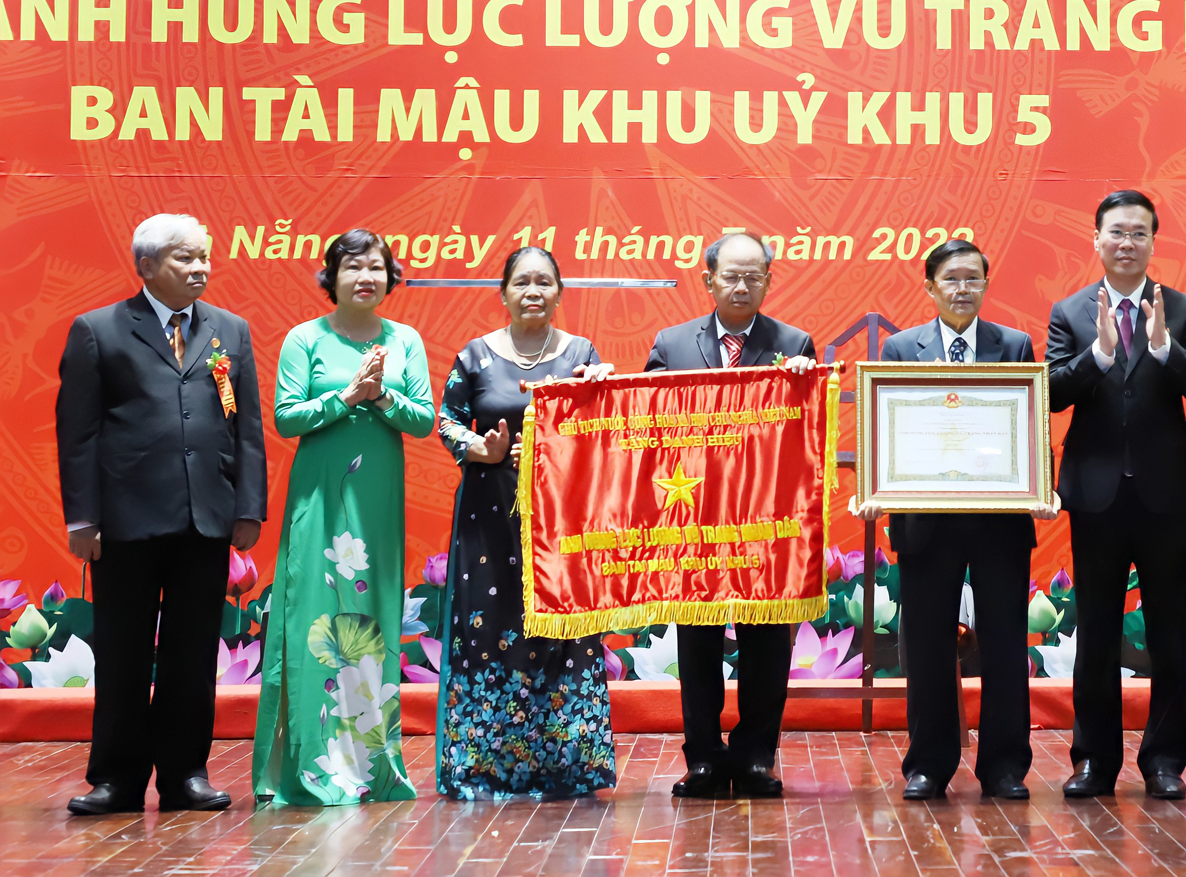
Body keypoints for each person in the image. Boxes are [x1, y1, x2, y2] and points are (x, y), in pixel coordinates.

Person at [56, 215, 266, 815]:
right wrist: (82, 519)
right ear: (146, 265)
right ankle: (116, 780)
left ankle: (185, 776)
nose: (201, 268)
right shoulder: (98, 330)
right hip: (124, 522)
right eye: (185, 258)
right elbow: (79, 434)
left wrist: (248, 506)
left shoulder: (231, 330)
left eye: (203, 257)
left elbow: (245, 429)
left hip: (207, 517)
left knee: (193, 651)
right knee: (121, 650)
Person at [857, 239, 1060, 801]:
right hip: (925, 520)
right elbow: (886, 426)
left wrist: (1043, 487)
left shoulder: (1013, 344)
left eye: (973, 279)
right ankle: (929, 764)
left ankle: (1004, 767)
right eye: (952, 279)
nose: (963, 289)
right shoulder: (901, 349)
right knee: (924, 647)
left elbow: (1030, 421)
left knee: (1003, 645)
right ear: (930, 287)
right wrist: (875, 486)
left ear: (986, 286)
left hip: (999, 521)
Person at [1047, 190, 1186, 801]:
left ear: (1153, 242)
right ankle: (1093, 760)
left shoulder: (1182, 308)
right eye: (1116, 233)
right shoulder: (1069, 313)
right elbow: (1050, 394)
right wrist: (1096, 355)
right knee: (1094, 631)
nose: (1127, 243)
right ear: (1096, 241)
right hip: (1095, 496)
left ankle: (1165, 761)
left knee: (1170, 630)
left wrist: (1165, 349)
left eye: (1138, 234)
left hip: (1165, 494)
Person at [253, 229, 435, 806]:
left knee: (370, 619)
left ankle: (371, 767)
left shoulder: (405, 339)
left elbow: (424, 420)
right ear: (330, 277)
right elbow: (286, 419)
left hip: (376, 503)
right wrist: (347, 398)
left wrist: (381, 398)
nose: (365, 277)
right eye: (353, 267)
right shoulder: (304, 338)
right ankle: (309, 765)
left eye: (377, 267)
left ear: (390, 276)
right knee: (313, 618)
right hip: (321, 496)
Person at [434, 246, 618, 799]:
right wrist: (478, 449)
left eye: (544, 282)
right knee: (489, 631)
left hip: (563, 521)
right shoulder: (476, 356)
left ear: (559, 292)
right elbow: (446, 420)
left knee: (562, 629)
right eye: (522, 282)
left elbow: (602, 430)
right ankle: (485, 765)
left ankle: (569, 763)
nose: (533, 291)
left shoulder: (582, 353)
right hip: (488, 518)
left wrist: (598, 394)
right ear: (504, 293)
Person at [644, 232, 817, 799]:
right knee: (697, 642)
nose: (742, 285)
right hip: (692, 521)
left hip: (765, 525)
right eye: (731, 276)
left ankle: (756, 756)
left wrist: (801, 385)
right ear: (708, 279)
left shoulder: (795, 344)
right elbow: (641, 428)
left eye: (754, 276)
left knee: (768, 642)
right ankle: (702, 759)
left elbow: (806, 435)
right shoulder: (671, 346)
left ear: (769, 280)